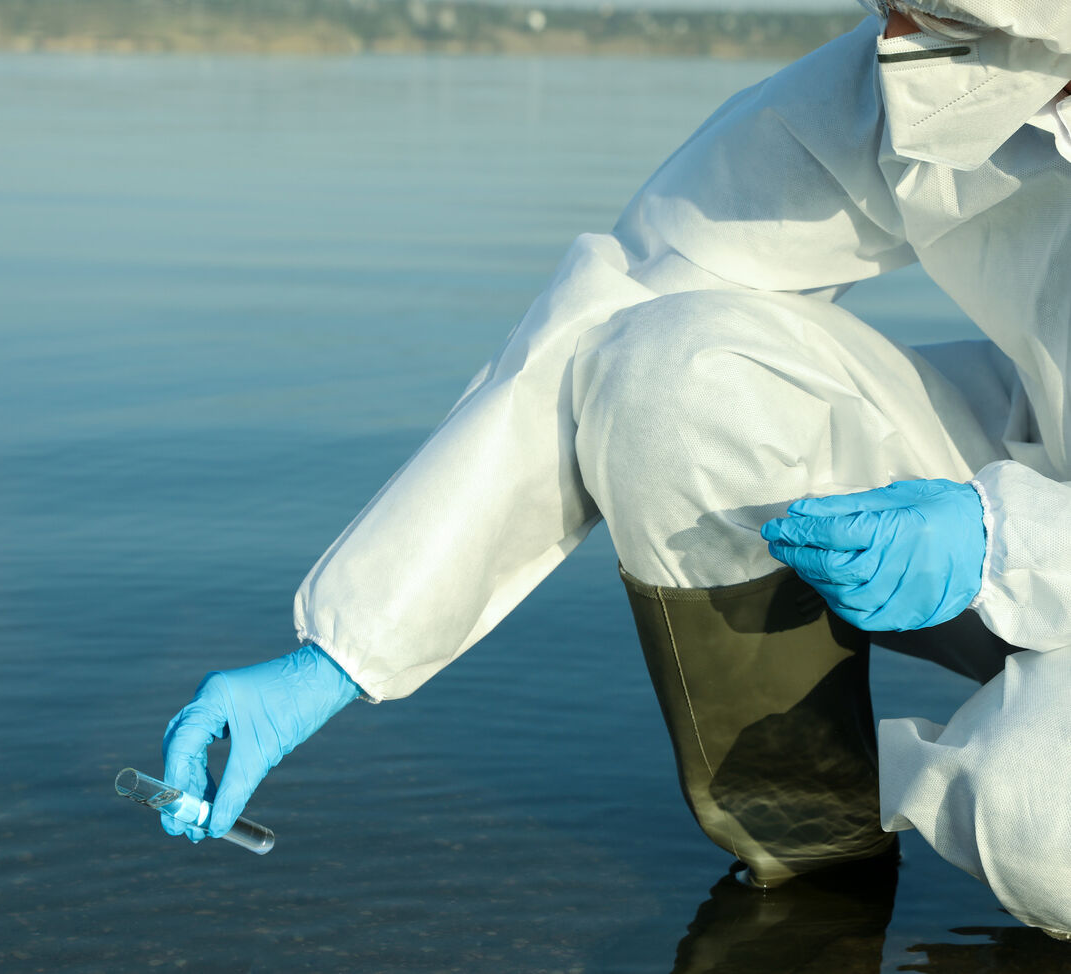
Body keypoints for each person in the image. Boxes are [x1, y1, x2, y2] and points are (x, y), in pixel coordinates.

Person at [160, 0, 1071, 938]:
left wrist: (1008, 543)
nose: (889, 26)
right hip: (1031, 458)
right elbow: (629, 294)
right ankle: (807, 849)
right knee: (666, 369)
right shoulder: (955, 71)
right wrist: (341, 653)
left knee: (1043, 823)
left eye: (924, 5)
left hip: (1032, 534)